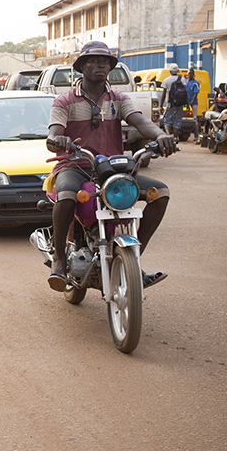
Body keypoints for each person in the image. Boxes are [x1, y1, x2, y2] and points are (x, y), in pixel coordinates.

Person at [45, 41, 176, 292]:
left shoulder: (119, 99)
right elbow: (55, 131)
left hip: (112, 169)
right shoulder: (65, 101)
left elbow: (139, 121)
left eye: (105, 61)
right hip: (75, 166)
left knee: (160, 193)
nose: (101, 65)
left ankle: (132, 259)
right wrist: (57, 140)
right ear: (82, 66)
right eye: (94, 61)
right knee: (66, 195)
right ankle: (59, 258)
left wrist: (159, 136)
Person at [159, 64, 187, 139]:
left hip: (170, 104)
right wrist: (187, 103)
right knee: (177, 122)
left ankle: (168, 136)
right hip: (180, 104)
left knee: (167, 121)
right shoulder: (182, 79)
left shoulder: (166, 80)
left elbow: (163, 94)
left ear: (170, 71)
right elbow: (185, 92)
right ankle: (175, 138)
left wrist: (161, 106)